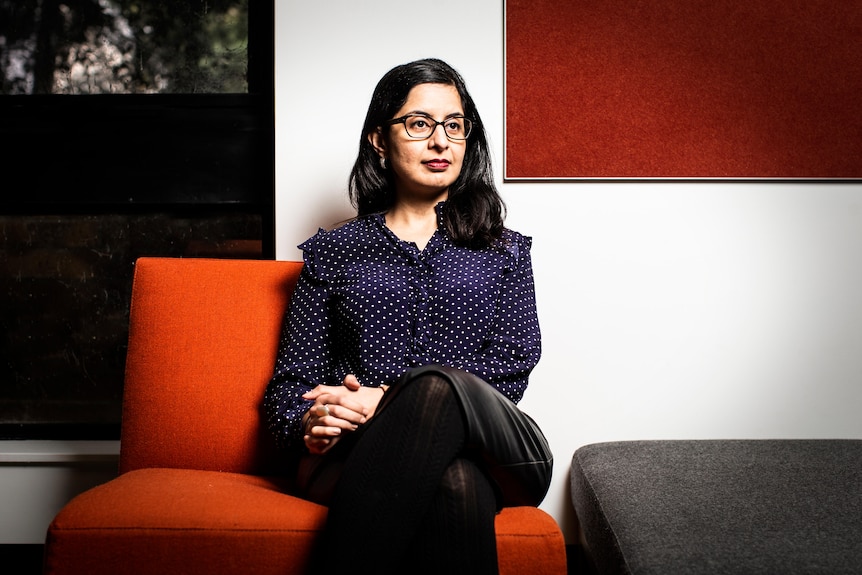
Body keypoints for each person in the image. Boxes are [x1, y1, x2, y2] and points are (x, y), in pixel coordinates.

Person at [264, 57, 551, 575]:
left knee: (437, 389)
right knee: (453, 483)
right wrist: (311, 420)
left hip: (498, 450)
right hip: (355, 454)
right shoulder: (334, 252)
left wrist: (390, 400)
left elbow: (514, 361)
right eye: (419, 123)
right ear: (379, 138)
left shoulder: (504, 250)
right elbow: (289, 389)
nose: (441, 141)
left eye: (454, 125)